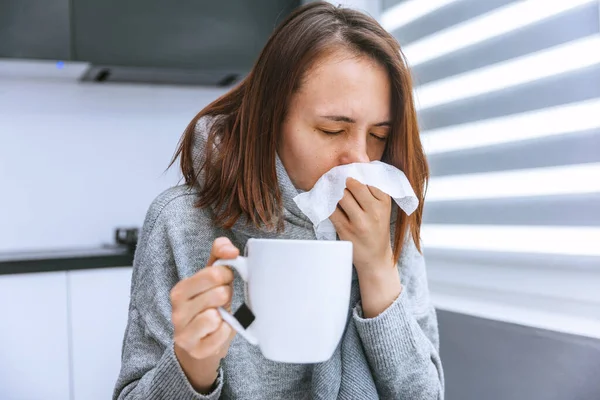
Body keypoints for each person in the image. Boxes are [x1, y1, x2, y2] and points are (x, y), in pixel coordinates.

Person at [113, 1, 444, 399]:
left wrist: (376, 269)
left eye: (378, 136)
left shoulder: (385, 220)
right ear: (271, 119)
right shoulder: (182, 223)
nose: (359, 160)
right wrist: (191, 367)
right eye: (332, 130)